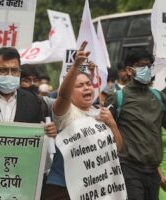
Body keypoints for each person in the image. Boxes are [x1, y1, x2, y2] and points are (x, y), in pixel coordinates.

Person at [44, 41, 124, 200]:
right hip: (63, 188)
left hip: (92, 189)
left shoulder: (100, 113)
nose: (87, 88)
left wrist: (113, 125)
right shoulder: (65, 112)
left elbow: (117, 150)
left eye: (88, 84)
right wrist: (75, 67)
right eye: (79, 86)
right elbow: (63, 96)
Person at [104, 49, 166, 200]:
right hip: (129, 170)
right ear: (129, 70)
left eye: (149, 66)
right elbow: (102, 133)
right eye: (141, 66)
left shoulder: (159, 97)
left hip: (153, 173)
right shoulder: (117, 98)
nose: (146, 70)